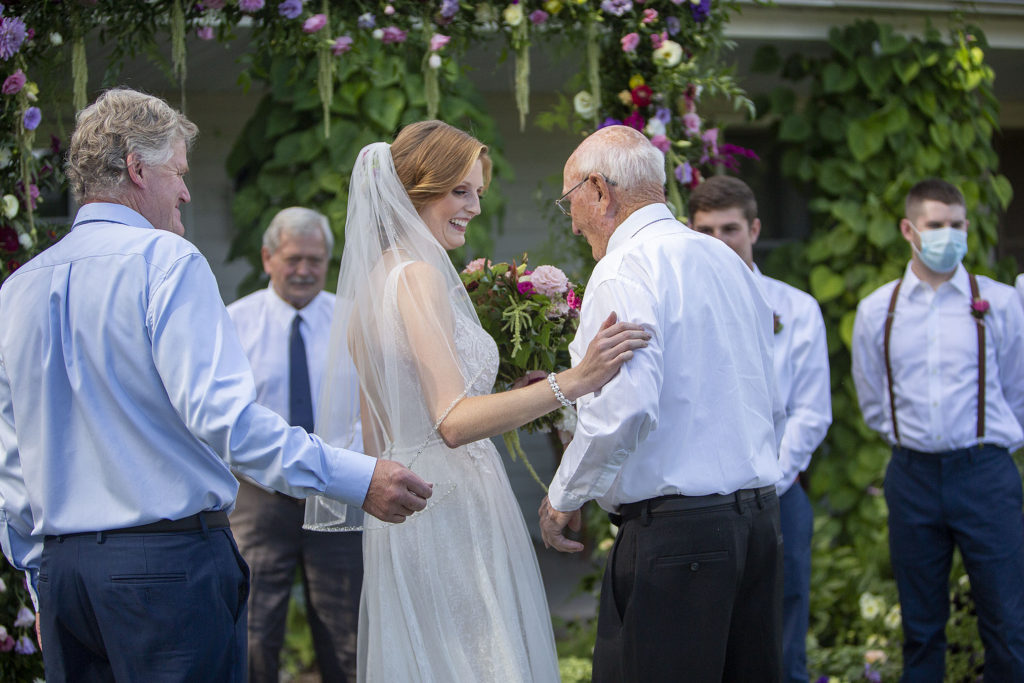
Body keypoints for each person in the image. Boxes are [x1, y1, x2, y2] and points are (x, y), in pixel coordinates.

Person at [0, 88, 431, 682]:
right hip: (166, 571)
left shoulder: (17, 288)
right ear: (135, 167)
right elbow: (225, 420)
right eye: (177, 172)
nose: (185, 191)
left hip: (64, 576)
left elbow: (10, 455)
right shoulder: (167, 262)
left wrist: (38, 576)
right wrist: (357, 477)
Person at [303, 120, 649, 682]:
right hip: (450, 503)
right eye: (459, 191)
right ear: (417, 187)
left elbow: (382, 435)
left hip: (404, 504)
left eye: (478, 193)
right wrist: (575, 379)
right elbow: (454, 423)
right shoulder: (418, 277)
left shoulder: (374, 282)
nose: (473, 207)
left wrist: (514, 398)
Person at [538, 126, 786, 682]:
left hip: (680, 542)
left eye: (569, 200)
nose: (572, 220)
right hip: (758, 527)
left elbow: (623, 410)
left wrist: (563, 496)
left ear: (599, 191)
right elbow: (769, 397)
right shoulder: (729, 263)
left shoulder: (625, 269)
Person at [852, 179, 1024, 681]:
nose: (948, 235)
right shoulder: (877, 311)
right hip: (913, 474)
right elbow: (874, 398)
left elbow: (1017, 388)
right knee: (921, 627)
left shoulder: (1001, 304)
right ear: (909, 230)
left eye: (956, 225)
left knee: (1007, 622)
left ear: (967, 227)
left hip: (986, 473)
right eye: (935, 225)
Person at [689, 175, 832, 683]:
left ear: (754, 228)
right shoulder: (680, 305)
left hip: (778, 491)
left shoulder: (796, 309)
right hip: (703, 495)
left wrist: (771, 478)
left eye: (731, 229)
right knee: (709, 632)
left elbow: (811, 411)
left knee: (782, 629)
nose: (721, 241)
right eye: (706, 231)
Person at [227, 207, 363, 682]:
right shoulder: (233, 324)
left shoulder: (354, 322)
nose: (305, 270)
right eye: (293, 259)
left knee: (347, 631)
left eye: (316, 259)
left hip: (338, 495)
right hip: (259, 497)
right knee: (253, 628)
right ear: (268, 258)